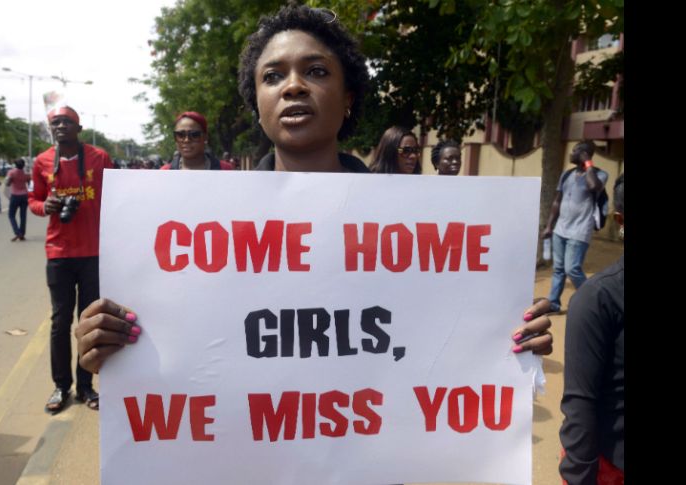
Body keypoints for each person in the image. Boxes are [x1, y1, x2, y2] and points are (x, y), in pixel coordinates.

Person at [75, 3, 552, 376]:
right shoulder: (204, 230)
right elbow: (186, 347)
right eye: (273, 75)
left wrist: (509, 336)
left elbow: (447, 330)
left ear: (348, 99)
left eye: (317, 71)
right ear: (256, 102)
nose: (294, 86)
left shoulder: (411, 223)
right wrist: (113, 351)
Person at [29, 105, 113, 414]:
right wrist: (45, 206)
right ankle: (61, 386)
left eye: (67, 122)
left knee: (88, 322)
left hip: (93, 253)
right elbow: (33, 201)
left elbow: (116, 195)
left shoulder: (99, 158)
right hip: (59, 253)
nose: (61, 126)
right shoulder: (40, 162)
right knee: (60, 321)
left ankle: (87, 386)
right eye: (55, 122)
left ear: (78, 128)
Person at [559, 173, 623, 485]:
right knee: (565, 269)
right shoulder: (597, 300)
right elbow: (580, 405)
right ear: (622, 221)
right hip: (614, 467)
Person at [542, 140, 608, 313]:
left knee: (572, 269)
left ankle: (594, 301)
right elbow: (557, 201)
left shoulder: (600, 175)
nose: (571, 154)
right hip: (560, 229)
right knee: (558, 269)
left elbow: (594, 186)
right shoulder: (566, 174)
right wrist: (550, 226)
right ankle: (554, 304)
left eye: (575, 151)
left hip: (579, 231)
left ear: (584, 154)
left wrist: (588, 164)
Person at [159, 112, 231, 170]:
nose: (186, 140)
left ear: (205, 137)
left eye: (194, 134)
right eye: (180, 135)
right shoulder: (164, 172)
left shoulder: (226, 170)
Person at [6, 158, 30, 241]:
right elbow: (29, 183)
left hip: (15, 195)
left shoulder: (11, 172)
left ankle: (17, 232)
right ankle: (22, 234)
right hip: (24, 195)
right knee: (23, 216)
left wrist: (11, 180)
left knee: (11, 215)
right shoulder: (26, 173)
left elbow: (7, 184)